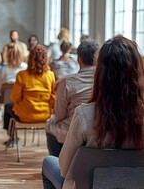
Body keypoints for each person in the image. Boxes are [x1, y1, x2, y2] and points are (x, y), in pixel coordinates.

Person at [42, 36, 144, 189]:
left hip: (88, 185)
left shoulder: (85, 115)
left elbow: (64, 168)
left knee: (48, 163)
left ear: (100, 71)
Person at [45, 40, 99, 157]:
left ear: (79, 59)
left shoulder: (67, 82)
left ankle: (59, 163)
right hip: (99, 129)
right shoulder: (106, 81)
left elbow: (59, 115)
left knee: (50, 125)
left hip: (73, 130)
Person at [4, 45, 56, 146]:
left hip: (25, 116)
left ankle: (12, 138)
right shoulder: (50, 75)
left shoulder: (22, 75)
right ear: (46, 59)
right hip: (45, 116)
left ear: (29, 58)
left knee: (8, 107)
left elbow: (15, 97)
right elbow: (53, 98)